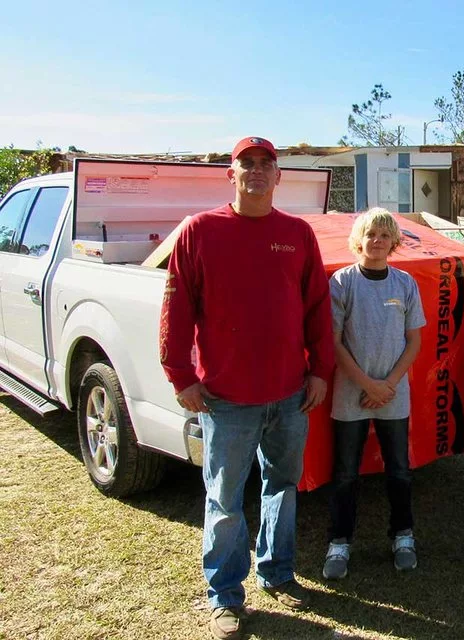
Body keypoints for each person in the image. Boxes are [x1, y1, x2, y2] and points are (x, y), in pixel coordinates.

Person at [159, 136, 335, 640]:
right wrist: (182, 376)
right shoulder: (200, 232)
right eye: (246, 164)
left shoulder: (297, 233)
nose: (256, 171)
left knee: (281, 485)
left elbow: (316, 308)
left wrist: (319, 370)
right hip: (226, 398)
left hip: (288, 393)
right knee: (226, 498)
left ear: (279, 176)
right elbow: (177, 310)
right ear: (230, 174)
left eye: (266, 164)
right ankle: (225, 596)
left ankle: (277, 572)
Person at [322, 208, 426, 580]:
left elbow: (414, 341)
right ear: (359, 240)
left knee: (399, 470)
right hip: (352, 393)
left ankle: (403, 536)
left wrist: (388, 385)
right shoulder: (342, 282)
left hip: (393, 394)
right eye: (371, 235)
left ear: (394, 242)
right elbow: (333, 342)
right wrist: (367, 385)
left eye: (385, 235)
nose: (378, 241)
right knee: (346, 473)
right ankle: (339, 542)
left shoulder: (405, 283)